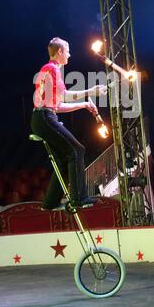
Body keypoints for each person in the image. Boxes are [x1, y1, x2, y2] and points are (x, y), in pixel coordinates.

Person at [31, 37, 107, 210]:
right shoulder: (53, 68)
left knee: (65, 159)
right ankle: (79, 198)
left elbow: (57, 106)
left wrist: (85, 104)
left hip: (41, 118)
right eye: (68, 51)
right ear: (60, 52)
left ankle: (50, 202)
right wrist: (91, 91)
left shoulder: (47, 69)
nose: (70, 55)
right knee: (77, 150)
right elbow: (64, 96)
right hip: (45, 118)